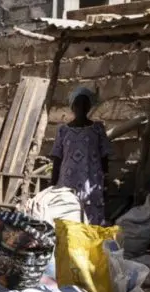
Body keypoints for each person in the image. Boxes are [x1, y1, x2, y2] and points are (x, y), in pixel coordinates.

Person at [51, 86, 113, 226]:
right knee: (68, 215)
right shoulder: (63, 131)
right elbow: (57, 157)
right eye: (78, 103)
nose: (82, 106)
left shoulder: (97, 128)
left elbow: (104, 156)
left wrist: (105, 180)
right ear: (73, 106)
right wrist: (53, 184)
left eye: (85, 103)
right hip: (67, 182)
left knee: (91, 219)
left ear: (89, 106)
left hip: (91, 181)